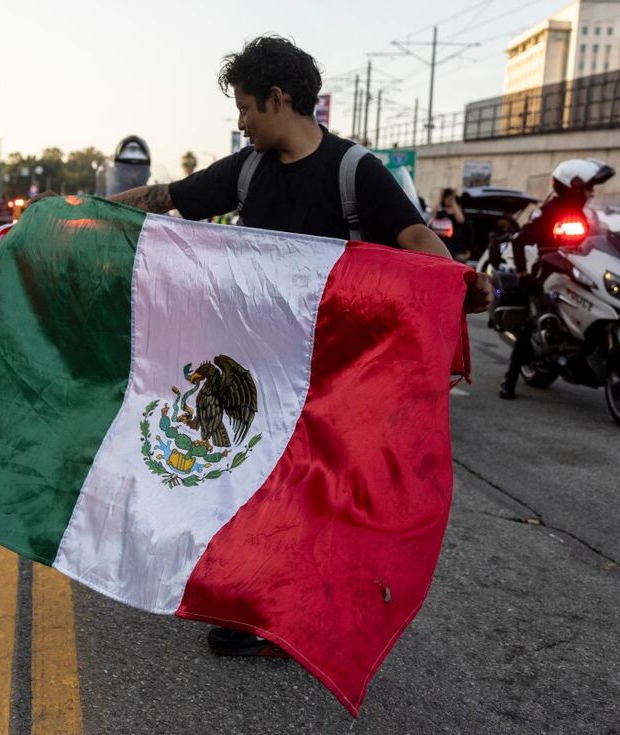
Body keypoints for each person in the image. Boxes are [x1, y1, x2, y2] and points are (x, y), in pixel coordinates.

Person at [106, 35, 493, 657]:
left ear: (277, 98)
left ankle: (298, 614)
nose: (240, 121)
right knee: (255, 483)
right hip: (263, 367)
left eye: (245, 107)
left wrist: (459, 281)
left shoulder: (354, 171)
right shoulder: (249, 170)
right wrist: (87, 211)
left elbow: (417, 238)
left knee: (320, 496)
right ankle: (259, 605)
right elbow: (166, 200)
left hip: (339, 375)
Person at [498, 158, 615, 400]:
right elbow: (520, 241)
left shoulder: (590, 214)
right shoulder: (548, 212)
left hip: (581, 275)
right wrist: (523, 275)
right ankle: (509, 379)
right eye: (587, 187)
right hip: (550, 276)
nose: (591, 193)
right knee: (534, 319)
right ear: (572, 185)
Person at [434, 187, 472, 261]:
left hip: (455, 250)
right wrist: (440, 197)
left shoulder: (458, 215)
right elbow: (432, 214)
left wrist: (453, 199)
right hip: (442, 248)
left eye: (450, 206)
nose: (449, 202)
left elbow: (461, 220)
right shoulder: (442, 214)